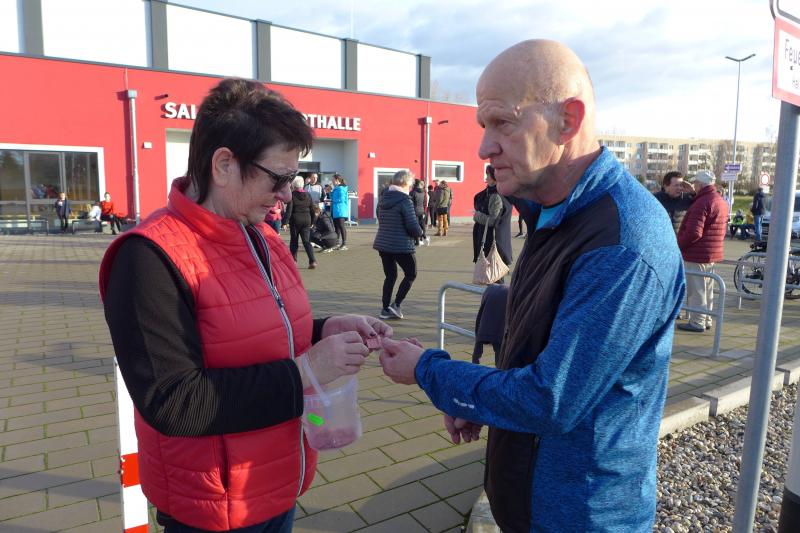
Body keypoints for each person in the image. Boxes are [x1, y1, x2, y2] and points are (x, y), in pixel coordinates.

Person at [377, 40, 684, 532]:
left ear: (568, 120)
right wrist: (475, 399)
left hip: (580, 517)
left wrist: (431, 372)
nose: (483, 147)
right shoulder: (554, 213)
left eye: (503, 122)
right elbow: (540, 350)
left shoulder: (621, 242)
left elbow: (550, 400)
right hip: (533, 501)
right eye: (483, 125)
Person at [99, 78, 390, 533]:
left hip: (275, 485)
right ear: (224, 165)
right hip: (214, 507)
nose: (288, 193)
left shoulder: (260, 236)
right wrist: (308, 368)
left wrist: (325, 328)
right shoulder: (148, 258)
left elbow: (254, 330)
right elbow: (173, 401)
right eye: (279, 178)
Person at [677, 170, 729, 333]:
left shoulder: (701, 203)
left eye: (695, 183)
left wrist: (678, 245)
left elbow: (694, 233)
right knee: (707, 288)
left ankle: (697, 322)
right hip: (711, 252)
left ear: (700, 184)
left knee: (697, 290)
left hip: (696, 253)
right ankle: (706, 319)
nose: (694, 185)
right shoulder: (719, 200)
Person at [373, 170, 423, 320]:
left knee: (390, 276)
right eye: (411, 184)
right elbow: (412, 226)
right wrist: (420, 232)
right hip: (401, 245)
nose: (411, 186)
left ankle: (385, 309)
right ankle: (396, 305)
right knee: (411, 274)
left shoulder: (382, 199)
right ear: (405, 183)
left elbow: (380, 217)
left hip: (383, 244)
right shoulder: (405, 200)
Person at [472, 164, 512, 268]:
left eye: (487, 174)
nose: (486, 177)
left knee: (493, 274)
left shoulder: (496, 196)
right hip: (492, 242)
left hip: (492, 244)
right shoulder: (490, 193)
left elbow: (492, 220)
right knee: (491, 274)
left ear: (494, 177)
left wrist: (476, 215)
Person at [285, 176, 317, 269]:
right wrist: (313, 221)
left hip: (295, 221)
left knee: (294, 242)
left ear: (293, 185)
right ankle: (312, 261)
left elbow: (289, 210)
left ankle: (294, 261)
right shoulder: (308, 195)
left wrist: (285, 222)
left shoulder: (292, 195)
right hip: (306, 220)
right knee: (306, 242)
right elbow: (312, 209)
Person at [331, 174, 349, 250]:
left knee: (341, 226)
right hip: (336, 211)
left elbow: (341, 199)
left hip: (341, 210)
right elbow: (332, 197)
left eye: (333, 180)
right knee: (336, 227)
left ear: (337, 180)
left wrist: (333, 200)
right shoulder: (336, 188)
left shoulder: (341, 188)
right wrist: (330, 192)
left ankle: (344, 244)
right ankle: (337, 243)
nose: (332, 181)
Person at [410, 178, 429, 246]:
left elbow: (410, 203)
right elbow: (425, 203)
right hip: (422, 211)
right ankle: (422, 238)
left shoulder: (412, 192)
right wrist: (424, 212)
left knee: (415, 226)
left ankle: (418, 241)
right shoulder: (423, 192)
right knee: (422, 225)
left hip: (414, 211)